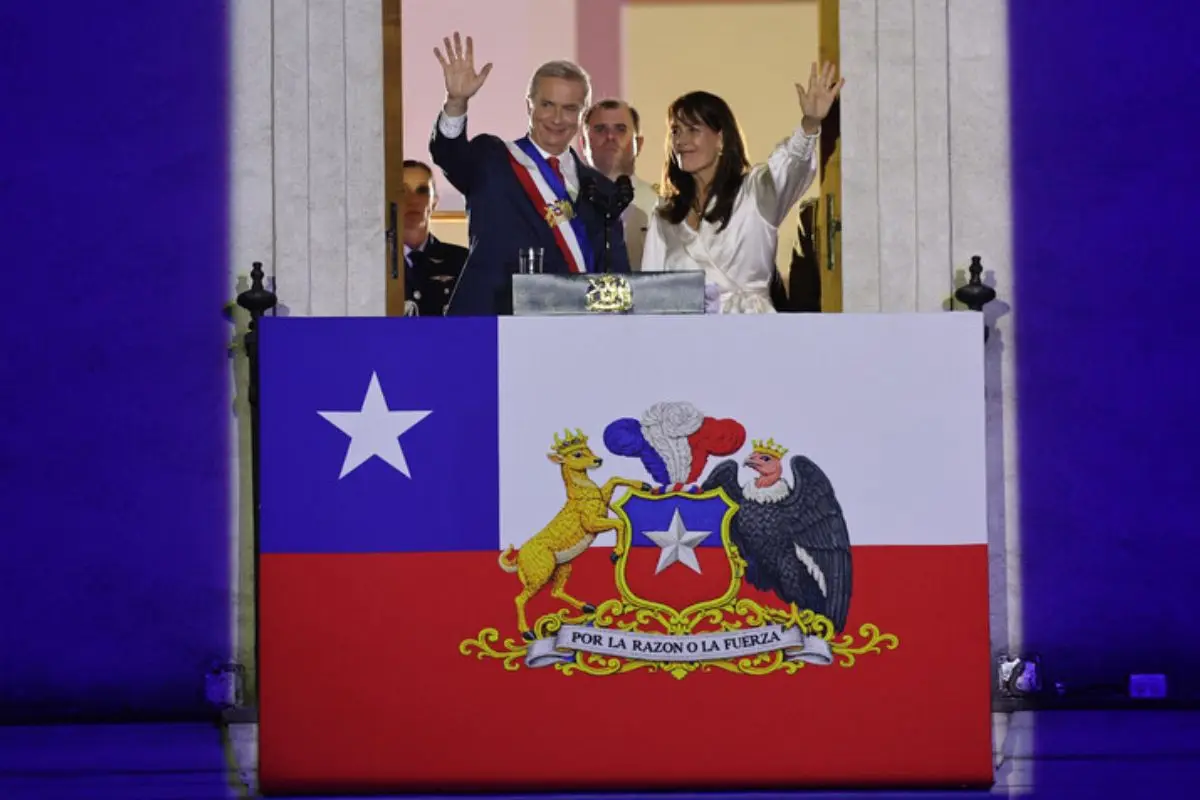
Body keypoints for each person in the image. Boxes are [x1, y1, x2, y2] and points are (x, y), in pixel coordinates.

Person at [429, 33, 631, 316]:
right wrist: (456, 103)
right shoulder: (493, 159)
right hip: (493, 328)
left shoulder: (601, 189)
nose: (557, 119)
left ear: (582, 114)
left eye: (569, 108)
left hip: (573, 334)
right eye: (547, 105)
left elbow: (616, 279)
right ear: (529, 105)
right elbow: (449, 153)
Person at [641, 62, 844, 314]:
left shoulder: (755, 192)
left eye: (693, 129)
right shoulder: (665, 215)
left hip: (751, 335)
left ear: (721, 138)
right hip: (687, 341)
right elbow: (649, 297)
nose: (680, 141)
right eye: (675, 131)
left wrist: (810, 124)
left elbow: (792, 168)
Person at [580, 98, 659, 270]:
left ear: (639, 143)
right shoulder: (569, 202)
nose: (610, 137)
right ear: (584, 143)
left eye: (620, 129)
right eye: (600, 129)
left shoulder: (661, 204)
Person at [400, 159, 468, 317]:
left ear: (435, 201)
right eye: (402, 191)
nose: (413, 200)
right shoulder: (374, 263)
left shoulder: (462, 261)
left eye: (422, 190)